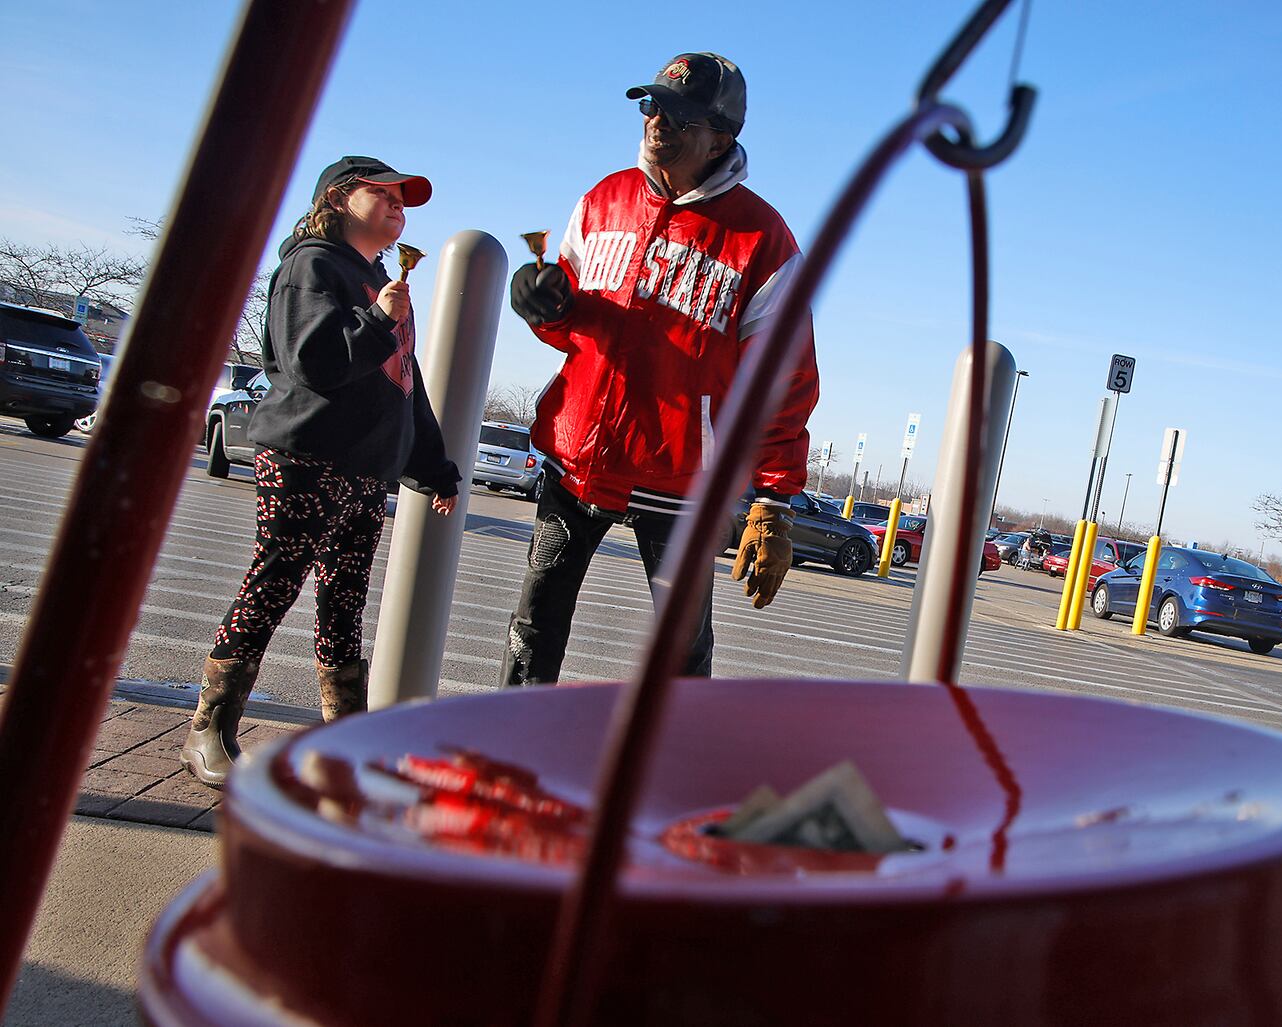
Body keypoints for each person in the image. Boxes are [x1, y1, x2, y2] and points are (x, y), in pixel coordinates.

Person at [501, 52, 820, 686]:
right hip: (579, 457)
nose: (657, 121)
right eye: (651, 105)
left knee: (681, 649)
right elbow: (573, 327)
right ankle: (510, 759)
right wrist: (542, 304)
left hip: (680, 480)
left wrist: (773, 500)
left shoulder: (762, 238)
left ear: (721, 136)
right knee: (533, 625)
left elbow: (783, 380)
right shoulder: (603, 199)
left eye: (679, 113)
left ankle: (674, 770)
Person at [181, 156, 461, 788]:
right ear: (337, 199)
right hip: (306, 456)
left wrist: (432, 468)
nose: (399, 206)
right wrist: (379, 320)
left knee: (345, 603)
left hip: (365, 468)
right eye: (384, 194)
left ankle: (344, 738)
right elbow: (313, 362)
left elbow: (404, 387)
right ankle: (208, 729)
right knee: (274, 581)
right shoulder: (310, 265)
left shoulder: (380, 281)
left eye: (404, 199)